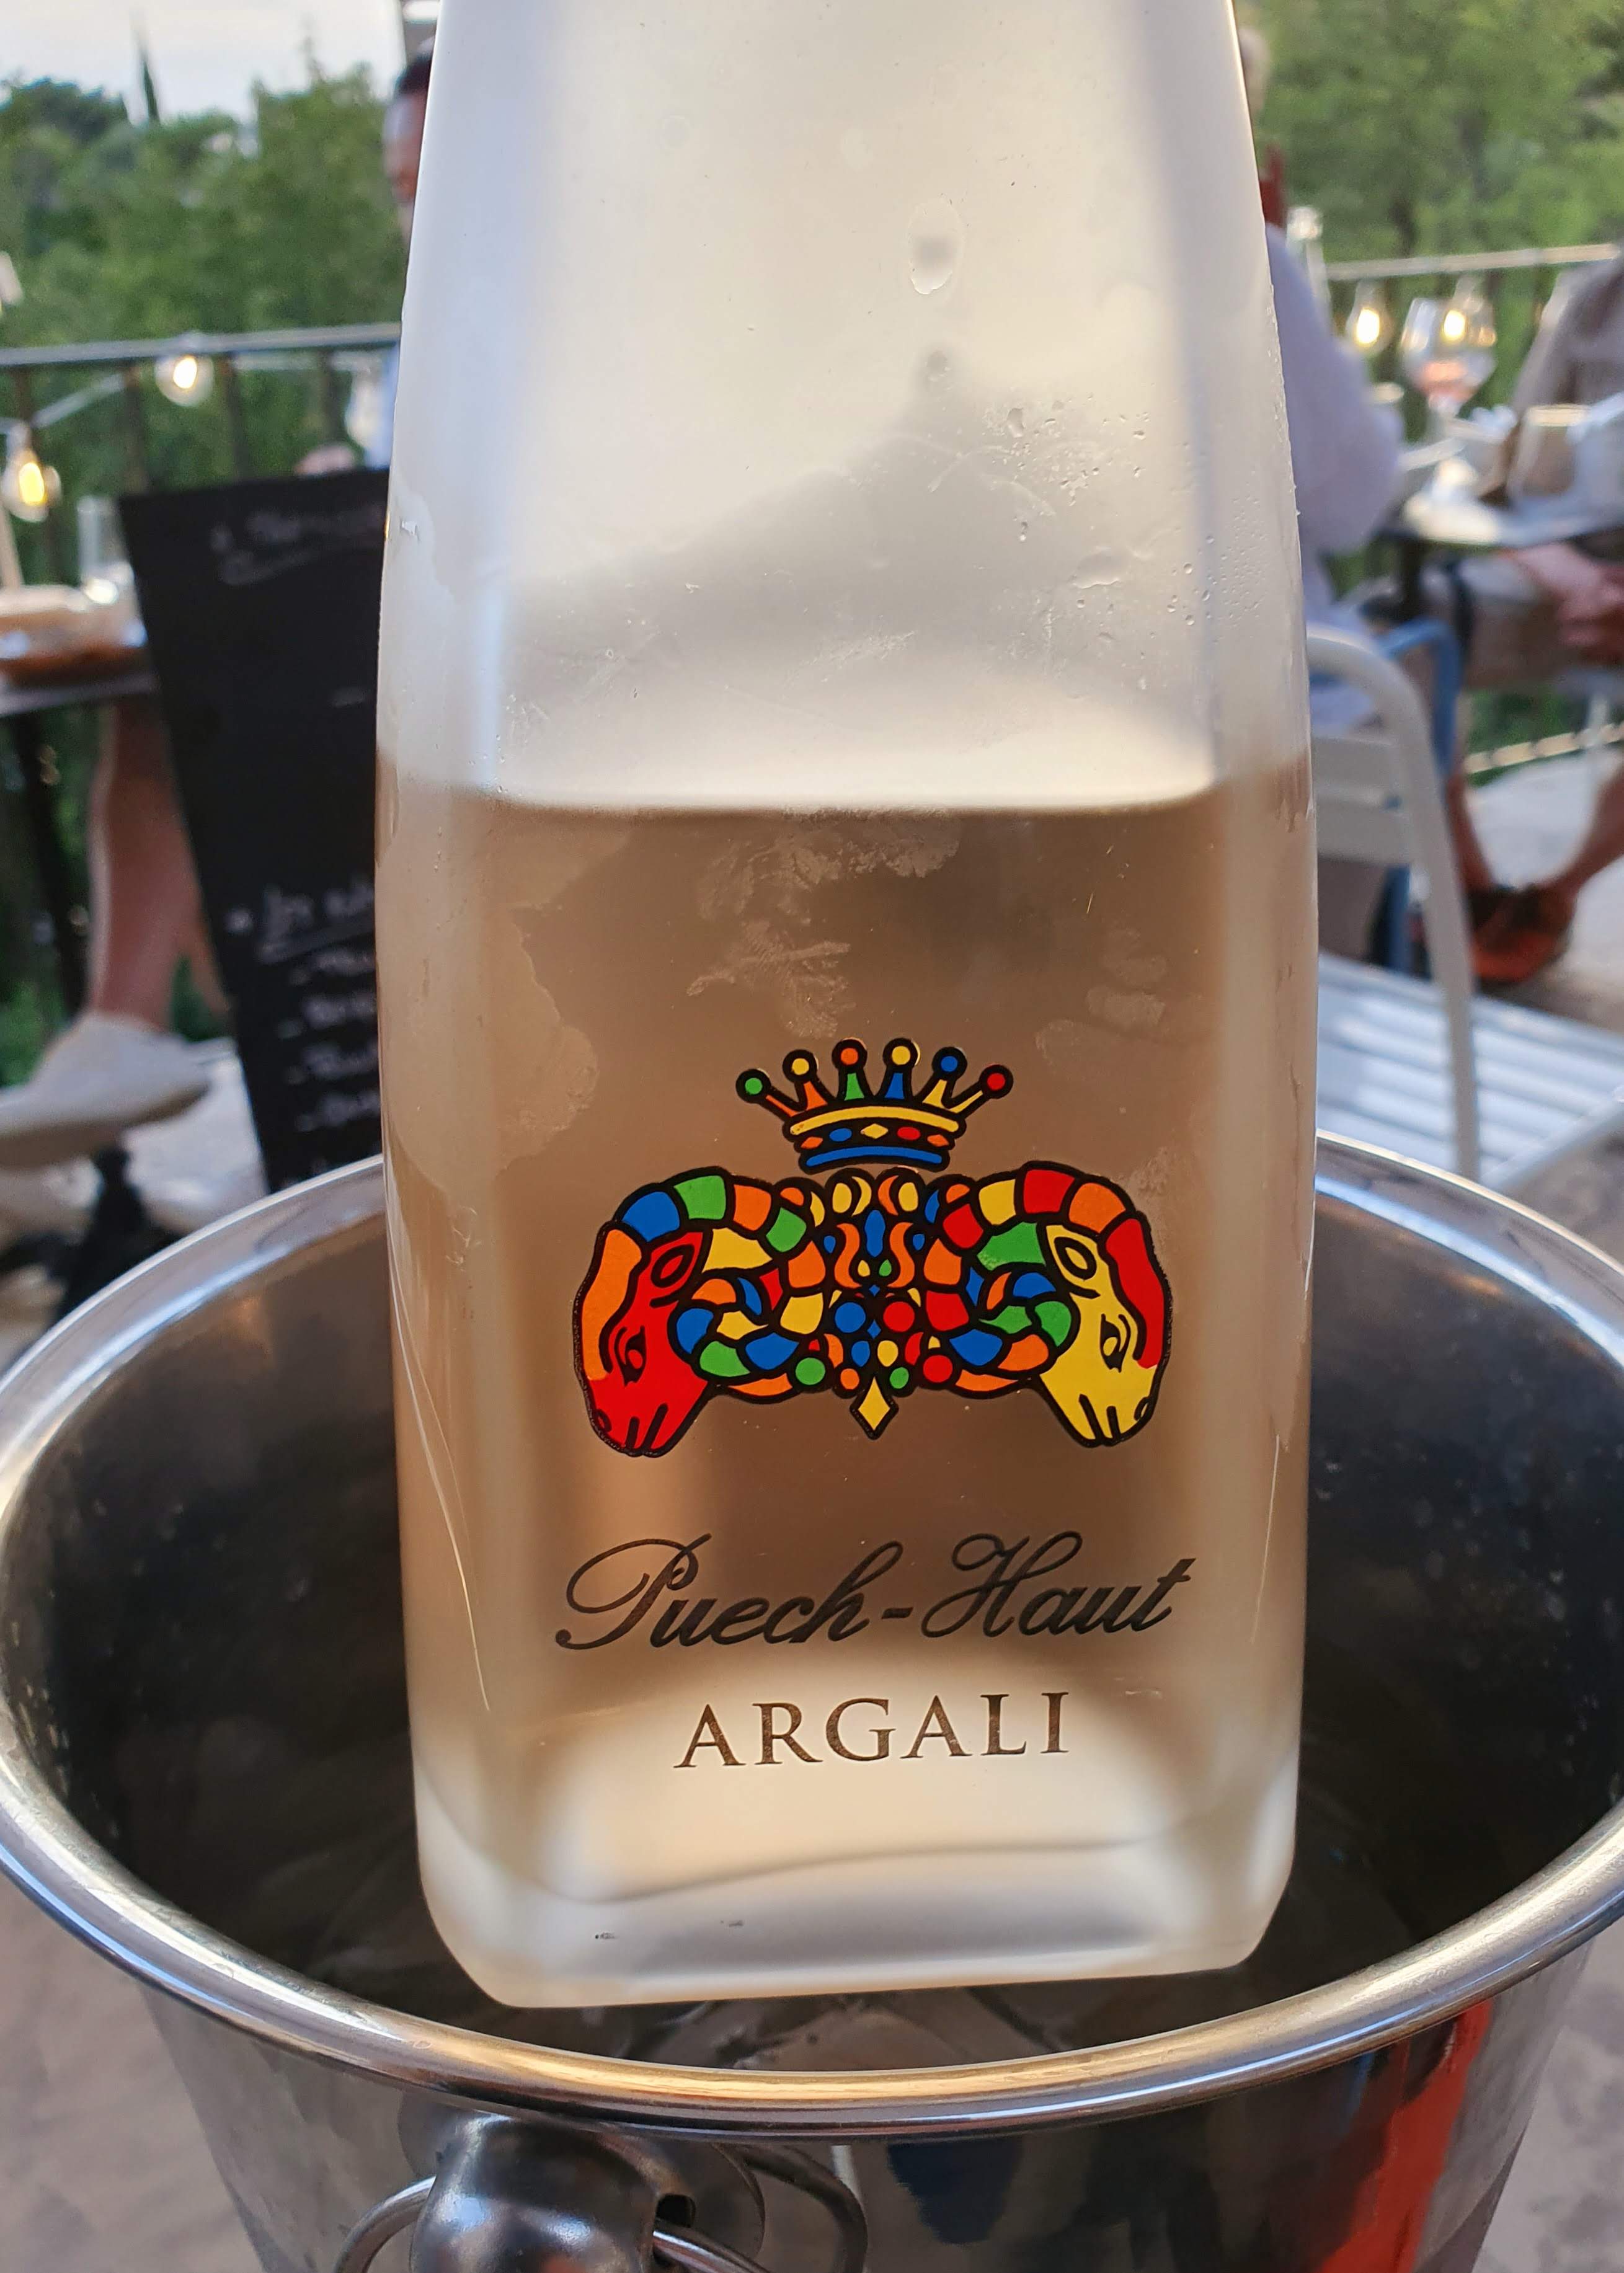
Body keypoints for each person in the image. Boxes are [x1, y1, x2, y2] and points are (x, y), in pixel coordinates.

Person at [0, 55, 428, 1188]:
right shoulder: (419, 346)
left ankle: (150, 1052)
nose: (416, 217)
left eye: (439, 183)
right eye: (402, 190)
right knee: (178, 721)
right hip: (378, 663)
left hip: (455, 687)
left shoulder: (562, 345)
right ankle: (215, 1073)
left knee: (192, 726)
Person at [1444, 251, 1624, 985]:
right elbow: (1508, 480)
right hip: (1567, 576)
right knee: (1406, 637)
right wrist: (1579, 581)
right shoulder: (1595, 298)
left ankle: (1553, 899)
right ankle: (1473, 894)